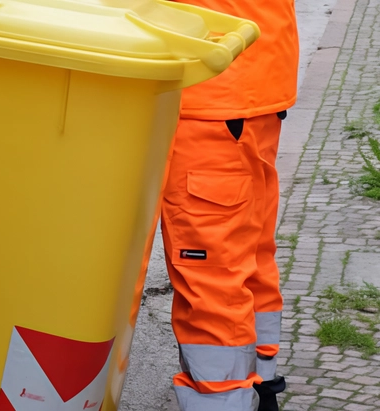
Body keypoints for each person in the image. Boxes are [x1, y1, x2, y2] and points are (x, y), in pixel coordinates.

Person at [158, 0, 300, 409]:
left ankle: (223, 401)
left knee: (211, 273)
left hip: (209, 85)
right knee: (248, 254)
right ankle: (260, 386)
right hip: (255, 76)